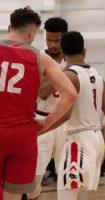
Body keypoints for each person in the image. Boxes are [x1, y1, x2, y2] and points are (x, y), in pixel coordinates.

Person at [0, 7, 77, 200]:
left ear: (9, 27)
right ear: (33, 32)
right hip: (24, 134)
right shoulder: (40, 57)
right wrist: (47, 123)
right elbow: (71, 94)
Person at [55, 31, 105, 200]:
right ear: (84, 51)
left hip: (77, 140)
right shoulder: (98, 75)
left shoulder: (69, 76)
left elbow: (65, 115)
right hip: (96, 139)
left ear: (63, 54)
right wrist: (104, 145)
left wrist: (42, 126)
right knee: (80, 194)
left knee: (66, 195)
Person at [27, 17, 69, 200]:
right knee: (35, 176)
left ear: (65, 38)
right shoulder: (39, 57)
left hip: (65, 122)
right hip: (42, 119)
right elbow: (42, 93)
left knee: (66, 173)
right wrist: (63, 73)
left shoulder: (72, 59)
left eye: (56, 40)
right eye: (49, 39)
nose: (52, 44)